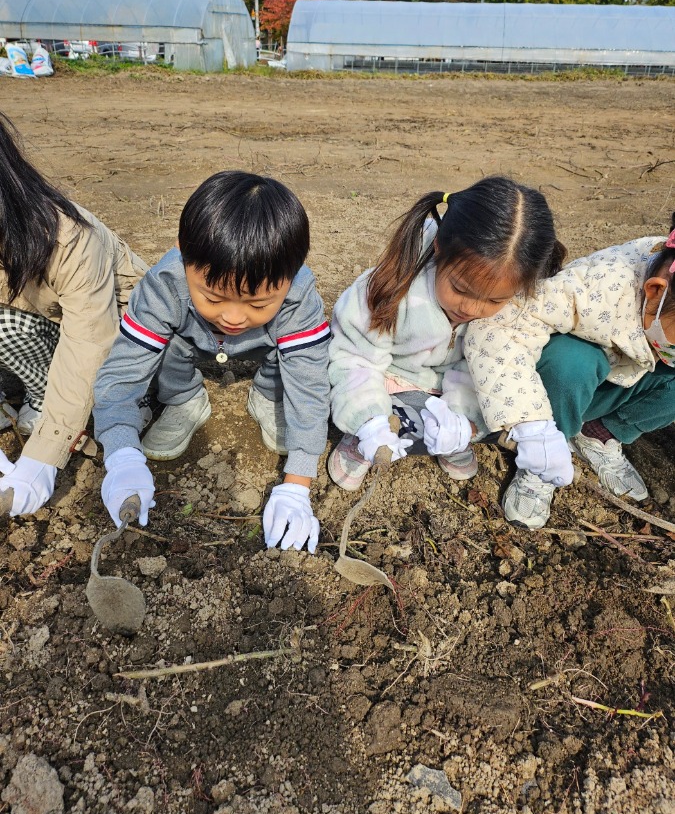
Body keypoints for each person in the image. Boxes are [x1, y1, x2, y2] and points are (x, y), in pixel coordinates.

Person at [94, 171, 330, 553]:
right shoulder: (164, 285)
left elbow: (310, 385)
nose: (234, 318)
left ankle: (267, 396)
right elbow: (123, 374)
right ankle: (184, 398)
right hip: (188, 347)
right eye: (214, 298)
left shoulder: (300, 298)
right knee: (166, 346)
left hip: (267, 351)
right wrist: (121, 453)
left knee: (288, 364)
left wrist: (298, 484)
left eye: (258, 304)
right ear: (184, 255)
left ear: (293, 273)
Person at [328, 176, 566, 490]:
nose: (472, 309)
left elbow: (500, 369)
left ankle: (451, 437)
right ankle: (366, 436)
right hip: (391, 380)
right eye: (460, 289)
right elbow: (354, 360)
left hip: (454, 385)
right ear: (440, 247)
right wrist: (370, 420)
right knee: (375, 414)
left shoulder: (519, 306)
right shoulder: (390, 288)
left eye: (494, 300)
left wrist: (464, 420)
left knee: (507, 408)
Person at [464, 220, 675, 530]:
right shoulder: (597, 286)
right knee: (571, 363)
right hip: (554, 393)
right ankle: (545, 454)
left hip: (611, 386)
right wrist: (529, 423)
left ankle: (600, 433)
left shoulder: (664, 299)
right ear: (655, 292)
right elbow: (501, 329)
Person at [0, 113, 147, 517]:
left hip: (107, 323)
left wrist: (43, 457)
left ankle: (60, 403)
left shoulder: (66, 236)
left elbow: (88, 340)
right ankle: (44, 395)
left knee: (6, 327)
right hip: (43, 323)